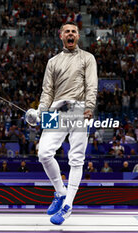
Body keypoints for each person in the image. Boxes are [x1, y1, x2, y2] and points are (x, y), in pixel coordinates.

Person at [27, 21, 98, 225]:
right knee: (43, 153)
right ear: (61, 35)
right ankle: (60, 192)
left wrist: (89, 107)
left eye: (74, 31)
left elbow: (92, 84)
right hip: (55, 110)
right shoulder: (53, 61)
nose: (70, 34)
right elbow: (47, 91)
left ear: (78, 36)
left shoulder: (88, 58)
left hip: (79, 108)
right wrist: (39, 113)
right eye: (67, 31)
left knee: (76, 158)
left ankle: (68, 206)